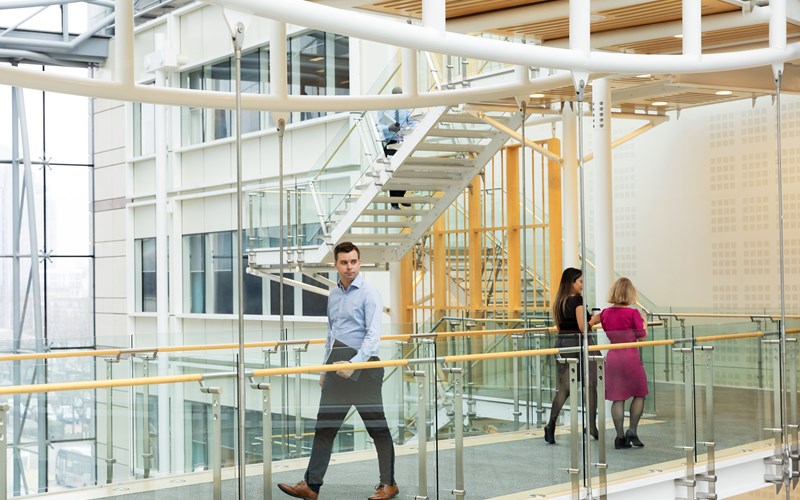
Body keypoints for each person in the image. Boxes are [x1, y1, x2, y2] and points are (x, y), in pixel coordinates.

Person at [278, 242, 399, 500]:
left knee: (377, 428)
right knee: (325, 427)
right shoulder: (334, 295)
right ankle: (312, 485)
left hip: (364, 368)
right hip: (335, 365)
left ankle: (388, 484)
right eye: (344, 263)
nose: (349, 267)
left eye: (354, 262)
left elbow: (373, 336)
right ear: (336, 264)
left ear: (359, 262)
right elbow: (331, 334)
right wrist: (324, 368)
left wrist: (354, 363)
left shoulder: (369, 294)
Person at [544, 267, 600, 445]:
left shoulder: (559, 301)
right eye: (580, 281)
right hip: (579, 345)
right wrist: (595, 320)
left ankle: (551, 425)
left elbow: (561, 328)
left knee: (565, 389)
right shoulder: (577, 300)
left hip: (563, 344)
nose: (583, 285)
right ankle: (590, 425)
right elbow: (583, 328)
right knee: (591, 384)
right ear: (572, 282)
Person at [598, 277, 648, 450]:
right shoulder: (633, 313)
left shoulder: (604, 313)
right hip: (631, 357)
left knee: (617, 399)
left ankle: (619, 437)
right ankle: (632, 431)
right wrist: (645, 321)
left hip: (613, 357)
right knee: (639, 393)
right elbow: (642, 335)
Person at [377, 86, 415, 209]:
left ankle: (401, 196)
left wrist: (417, 126)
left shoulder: (405, 108)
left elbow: (411, 122)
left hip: (402, 141)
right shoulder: (384, 107)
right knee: (394, 170)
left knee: (405, 170)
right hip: (390, 140)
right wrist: (388, 128)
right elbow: (377, 125)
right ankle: (394, 201)